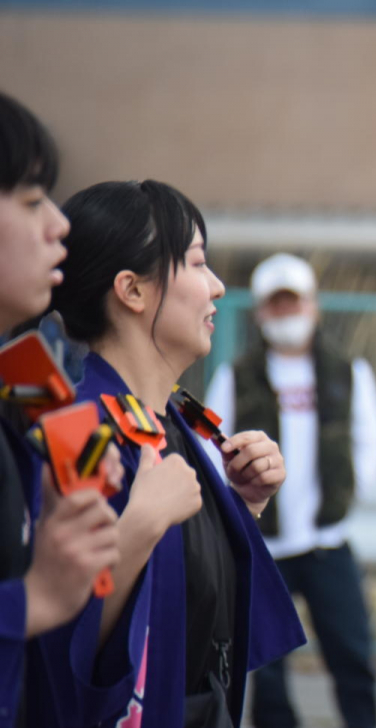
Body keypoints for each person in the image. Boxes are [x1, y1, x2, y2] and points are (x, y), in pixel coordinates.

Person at [40, 180, 305, 728]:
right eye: (196, 263)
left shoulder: (173, 422)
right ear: (132, 291)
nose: (217, 286)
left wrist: (239, 506)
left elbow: (203, 618)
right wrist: (140, 526)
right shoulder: (77, 430)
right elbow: (60, 634)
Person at [204, 252, 376, 728]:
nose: (287, 316)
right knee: (267, 671)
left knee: (353, 657)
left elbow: (371, 444)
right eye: (277, 305)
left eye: (295, 303)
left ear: (313, 306)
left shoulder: (348, 372)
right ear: (262, 312)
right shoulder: (236, 377)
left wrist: (343, 500)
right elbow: (212, 446)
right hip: (266, 545)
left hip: (328, 542)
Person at [0, 92, 125, 728]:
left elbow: (86, 475)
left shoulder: (21, 372)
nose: (58, 225)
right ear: (130, 289)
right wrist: (31, 600)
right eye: (29, 201)